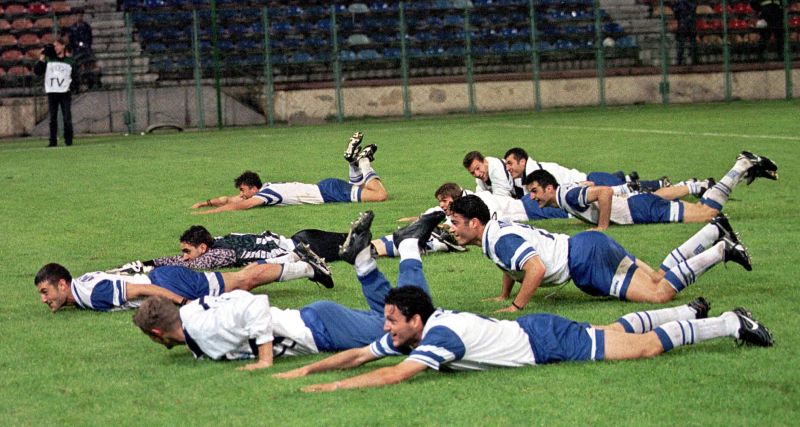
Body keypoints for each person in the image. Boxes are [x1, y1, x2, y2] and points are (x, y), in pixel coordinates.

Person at [273, 287, 772, 392]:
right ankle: (686, 311)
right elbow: (360, 355)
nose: (385, 328)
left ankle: (730, 323)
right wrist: (304, 369)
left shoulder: (439, 336)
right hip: (536, 332)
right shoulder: (416, 331)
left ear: (415, 321)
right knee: (614, 332)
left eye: (391, 321)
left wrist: (329, 389)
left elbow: (393, 376)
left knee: (644, 348)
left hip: (543, 341)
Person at [132, 210, 446, 369]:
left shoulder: (201, 329)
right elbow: (236, 298)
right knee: (394, 315)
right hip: (316, 321)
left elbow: (252, 305)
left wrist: (265, 359)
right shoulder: (192, 313)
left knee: (418, 325)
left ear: (157, 334)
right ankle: (372, 256)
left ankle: (400, 247)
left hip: (320, 331)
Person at [446, 195, 752, 311]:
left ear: (475, 223)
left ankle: (722, 250)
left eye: (456, 222)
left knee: (659, 295)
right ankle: (713, 231)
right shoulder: (494, 233)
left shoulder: (498, 239)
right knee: (658, 278)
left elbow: (535, 269)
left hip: (586, 260)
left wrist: (516, 306)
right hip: (587, 245)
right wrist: (504, 294)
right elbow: (512, 265)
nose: (452, 229)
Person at [524, 151, 778, 230]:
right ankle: (700, 184)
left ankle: (742, 165)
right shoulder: (565, 192)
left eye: (535, 191)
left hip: (639, 210)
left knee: (707, 213)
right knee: (667, 198)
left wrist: (602, 227)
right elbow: (589, 186)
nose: (532, 197)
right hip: (637, 203)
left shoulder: (566, 196)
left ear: (549, 188)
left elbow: (603, 193)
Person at [34, 249, 333, 313]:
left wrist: (182, 301)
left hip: (169, 283)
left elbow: (141, 289)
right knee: (237, 280)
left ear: (63, 284)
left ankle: (309, 268)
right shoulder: (80, 287)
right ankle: (292, 258)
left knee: (243, 282)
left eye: (46, 292)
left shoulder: (90, 293)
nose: (44, 299)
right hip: (165, 278)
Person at [191, 132, 388, 214]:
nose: (241, 194)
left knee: (380, 195)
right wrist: (204, 203)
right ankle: (353, 162)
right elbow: (229, 199)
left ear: (253, 188)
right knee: (362, 187)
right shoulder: (268, 187)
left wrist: (209, 213)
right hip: (326, 187)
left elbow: (241, 205)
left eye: (243, 190)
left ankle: (363, 161)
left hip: (329, 192)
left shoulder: (266, 194)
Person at [373, 182, 568, 258]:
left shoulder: (480, 202)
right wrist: (416, 219)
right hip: (524, 209)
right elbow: (433, 214)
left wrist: (448, 229)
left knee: (566, 208)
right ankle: (373, 247)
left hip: (527, 209)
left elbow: (491, 222)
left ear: (455, 198)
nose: (442, 205)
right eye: (440, 201)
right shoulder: (458, 207)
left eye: (444, 201)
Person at [108, 225, 349, 273]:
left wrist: (148, 268)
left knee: (358, 248)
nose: (184, 256)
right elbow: (183, 260)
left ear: (203, 247)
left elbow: (193, 265)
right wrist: (148, 263)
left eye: (187, 251)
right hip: (299, 238)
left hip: (305, 245)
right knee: (355, 242)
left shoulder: (219, 254)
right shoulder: (216, 242)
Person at [503, 147, 666, 197]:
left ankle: (660, 184)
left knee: (631, 192)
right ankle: (624, 176)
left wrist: (580, 185)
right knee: (623, 185)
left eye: (510, 163)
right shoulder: (527, 175)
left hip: (588, 183)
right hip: (586, 181)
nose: (508, 168)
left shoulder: (536, 173)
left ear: (522, 162)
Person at [33, 39, 76, 147]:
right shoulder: (49, 60)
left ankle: (68, 140)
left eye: (57, 45)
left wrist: (72, 87)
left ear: (63, 46)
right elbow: (38, 71)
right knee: (52, 118)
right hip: (52, 92)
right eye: (54, 46)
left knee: (67, 117)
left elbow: (74, 76)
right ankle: (53, 141)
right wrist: (41, 58)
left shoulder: (70, 61)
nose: (55, 48)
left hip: (65, 92)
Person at [672, 0, 698, 65]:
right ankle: (679, 60)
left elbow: (693, 7)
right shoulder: (679, 3)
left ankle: (694, 59)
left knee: (692, 42)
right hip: (682, 23)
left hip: (690, 23)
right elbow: (675, 10)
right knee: (681, 42)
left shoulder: (688, 2)